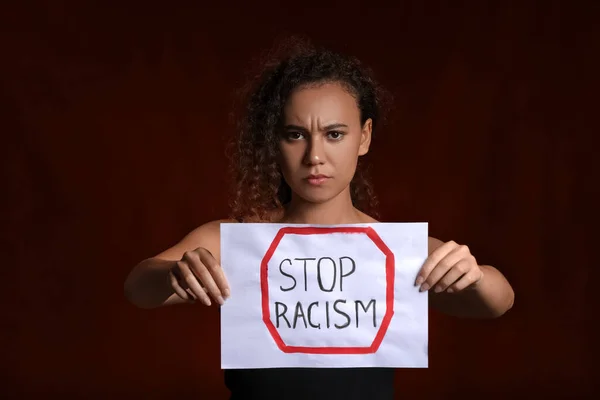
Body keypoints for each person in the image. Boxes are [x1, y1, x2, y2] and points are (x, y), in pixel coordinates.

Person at [124, 38, 515, 400]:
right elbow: (138, 286)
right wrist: (173, 272)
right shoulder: (236, 240)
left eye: (334, 134)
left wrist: (473, 274)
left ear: (363, 137)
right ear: (274, 141)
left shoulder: (394, 251)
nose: (314, 156)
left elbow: (498, 300)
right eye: (295, 134)